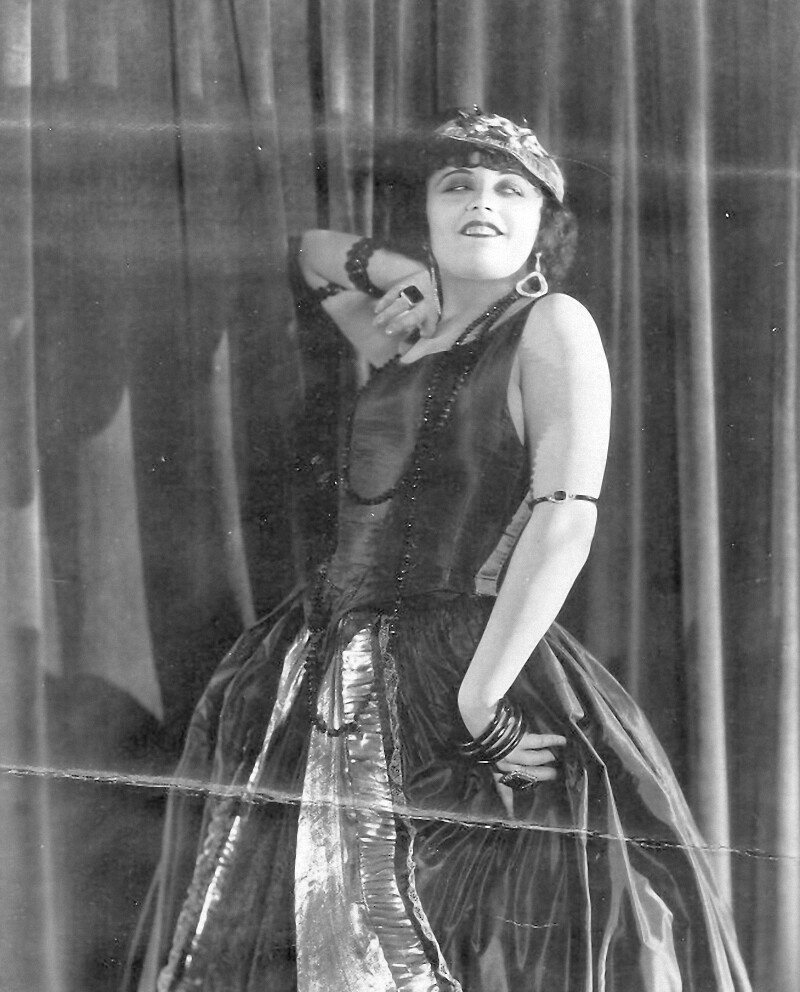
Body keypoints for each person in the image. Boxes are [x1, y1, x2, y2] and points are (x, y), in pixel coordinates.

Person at [126, 110, 751, 992]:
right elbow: (312, 254)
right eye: (457, 186)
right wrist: (406, 276)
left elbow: (565, 520)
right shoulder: (405, 336)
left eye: (510, 191)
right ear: (424, 211)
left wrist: (482, 698)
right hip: (318, 662)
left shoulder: (551, 324)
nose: (482, 204)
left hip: (468, 668)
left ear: (545, 226)